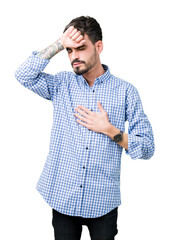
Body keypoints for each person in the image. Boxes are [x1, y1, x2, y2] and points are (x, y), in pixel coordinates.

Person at [15, 16, 155, 240]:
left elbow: (147, 147)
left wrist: (111, 130)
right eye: (70, 50)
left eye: (81, 48)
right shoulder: (61, 84)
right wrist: (59, 44)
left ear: (98, 47)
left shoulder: (126, 92)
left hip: (102, 203)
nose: (74, 57)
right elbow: (23, 74)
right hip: (63, 198)